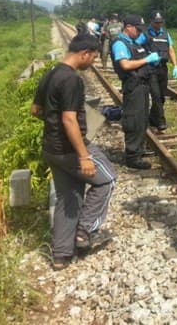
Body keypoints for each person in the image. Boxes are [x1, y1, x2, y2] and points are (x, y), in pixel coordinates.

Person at [30, 34, 117, 270]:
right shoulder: (72, 80)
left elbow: (35, 110)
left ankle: (60, 255)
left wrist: (53, 124)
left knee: (68, 197)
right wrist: (83, 156)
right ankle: (84, 230)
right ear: (84, 54)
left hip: (51, 148)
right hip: (70, 150)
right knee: (107, 179)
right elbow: (69, 119)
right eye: (94, 57)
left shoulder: (50, 74)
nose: (93, 62)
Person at [111, 14, 160, 170]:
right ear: (128, 27)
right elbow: (125, 65)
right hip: (133, 86)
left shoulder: (132, 42)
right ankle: (132, 156)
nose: (139, 32)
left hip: (142, 85)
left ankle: (139, 148)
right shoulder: (119, 43)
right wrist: (147, 60)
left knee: (142, 119)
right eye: (137, 29)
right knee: (133, 120)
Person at [141, 11, 177, 133]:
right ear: (151, 22)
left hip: (162, 68)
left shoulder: (165, 34)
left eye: (160, 22)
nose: (158, 25)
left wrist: (175, 66)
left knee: (162, 96)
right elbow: (137, 48)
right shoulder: (145, 34)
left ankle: (152, 118)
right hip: (150, 69)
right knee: (156, 96)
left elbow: (171, 49)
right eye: (156, 22)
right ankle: (161, 122)